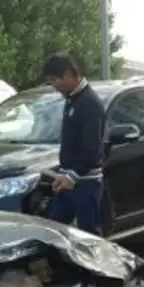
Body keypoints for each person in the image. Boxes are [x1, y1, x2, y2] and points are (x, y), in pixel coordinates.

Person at [43, 53, 106, 235]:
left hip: (85, 182)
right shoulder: (72, 100)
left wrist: (72, 176)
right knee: (55, 231)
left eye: (56, 80)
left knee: (89, 234)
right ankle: (59, 263)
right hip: (67, 180)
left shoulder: (89, 103)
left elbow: (92, 149)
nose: (55, 86)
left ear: (69, 74)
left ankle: (98, 263)